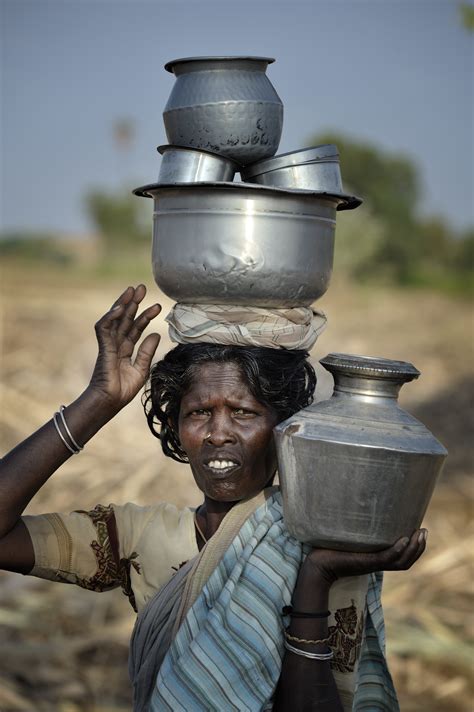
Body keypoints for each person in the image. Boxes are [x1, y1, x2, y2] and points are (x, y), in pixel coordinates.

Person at [0, 284, 426, 711]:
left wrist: (316, 577)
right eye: (199, 413)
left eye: (244, 412)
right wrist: (98, 401)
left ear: (285, 428)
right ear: (176, 428)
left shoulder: (325, 539)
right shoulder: (139, 537)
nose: (218, 433)